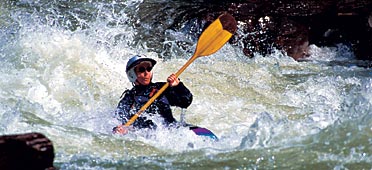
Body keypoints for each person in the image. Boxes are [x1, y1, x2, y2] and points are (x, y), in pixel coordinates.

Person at [113, 55, 193, 134]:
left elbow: (185, 102)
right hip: (149, 135)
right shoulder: (129, 98)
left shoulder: (162, 88)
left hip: (173, 130)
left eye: (149, 69)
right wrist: (120, 129)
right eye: (141, 70)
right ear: (132, 74)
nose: (146, 73)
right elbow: (119, 119)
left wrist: (178, 86)